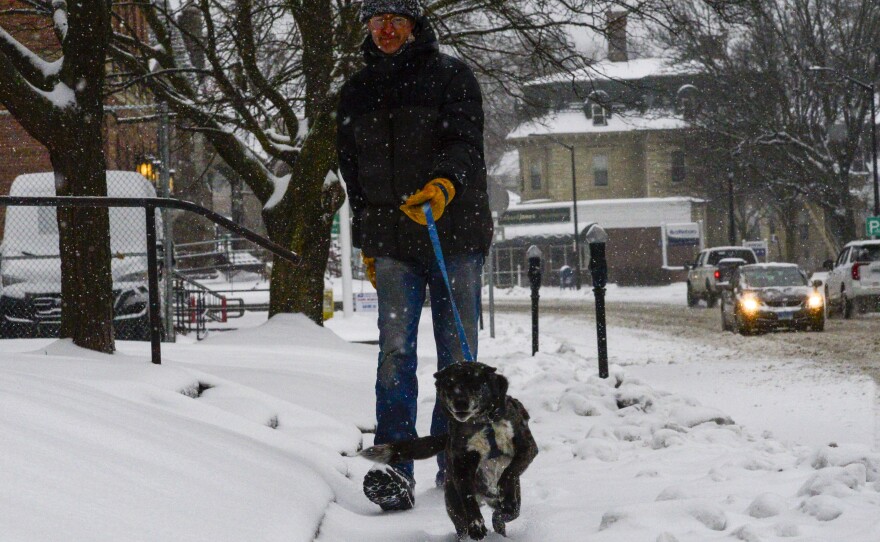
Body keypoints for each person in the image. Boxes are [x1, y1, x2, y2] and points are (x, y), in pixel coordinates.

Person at [336, 0, 492, 512]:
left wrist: (445, 183)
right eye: (376, 20)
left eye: (395, 20)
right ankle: (395, 468)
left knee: (457, 356)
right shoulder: (356, 93)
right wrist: (367, 244)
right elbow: (354, 177)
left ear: (414, 25)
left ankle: (458, 463)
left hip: (455, 236)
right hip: (393, 243)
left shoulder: (452, 78)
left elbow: (464, 142)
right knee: (395, 354)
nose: (384, 30)